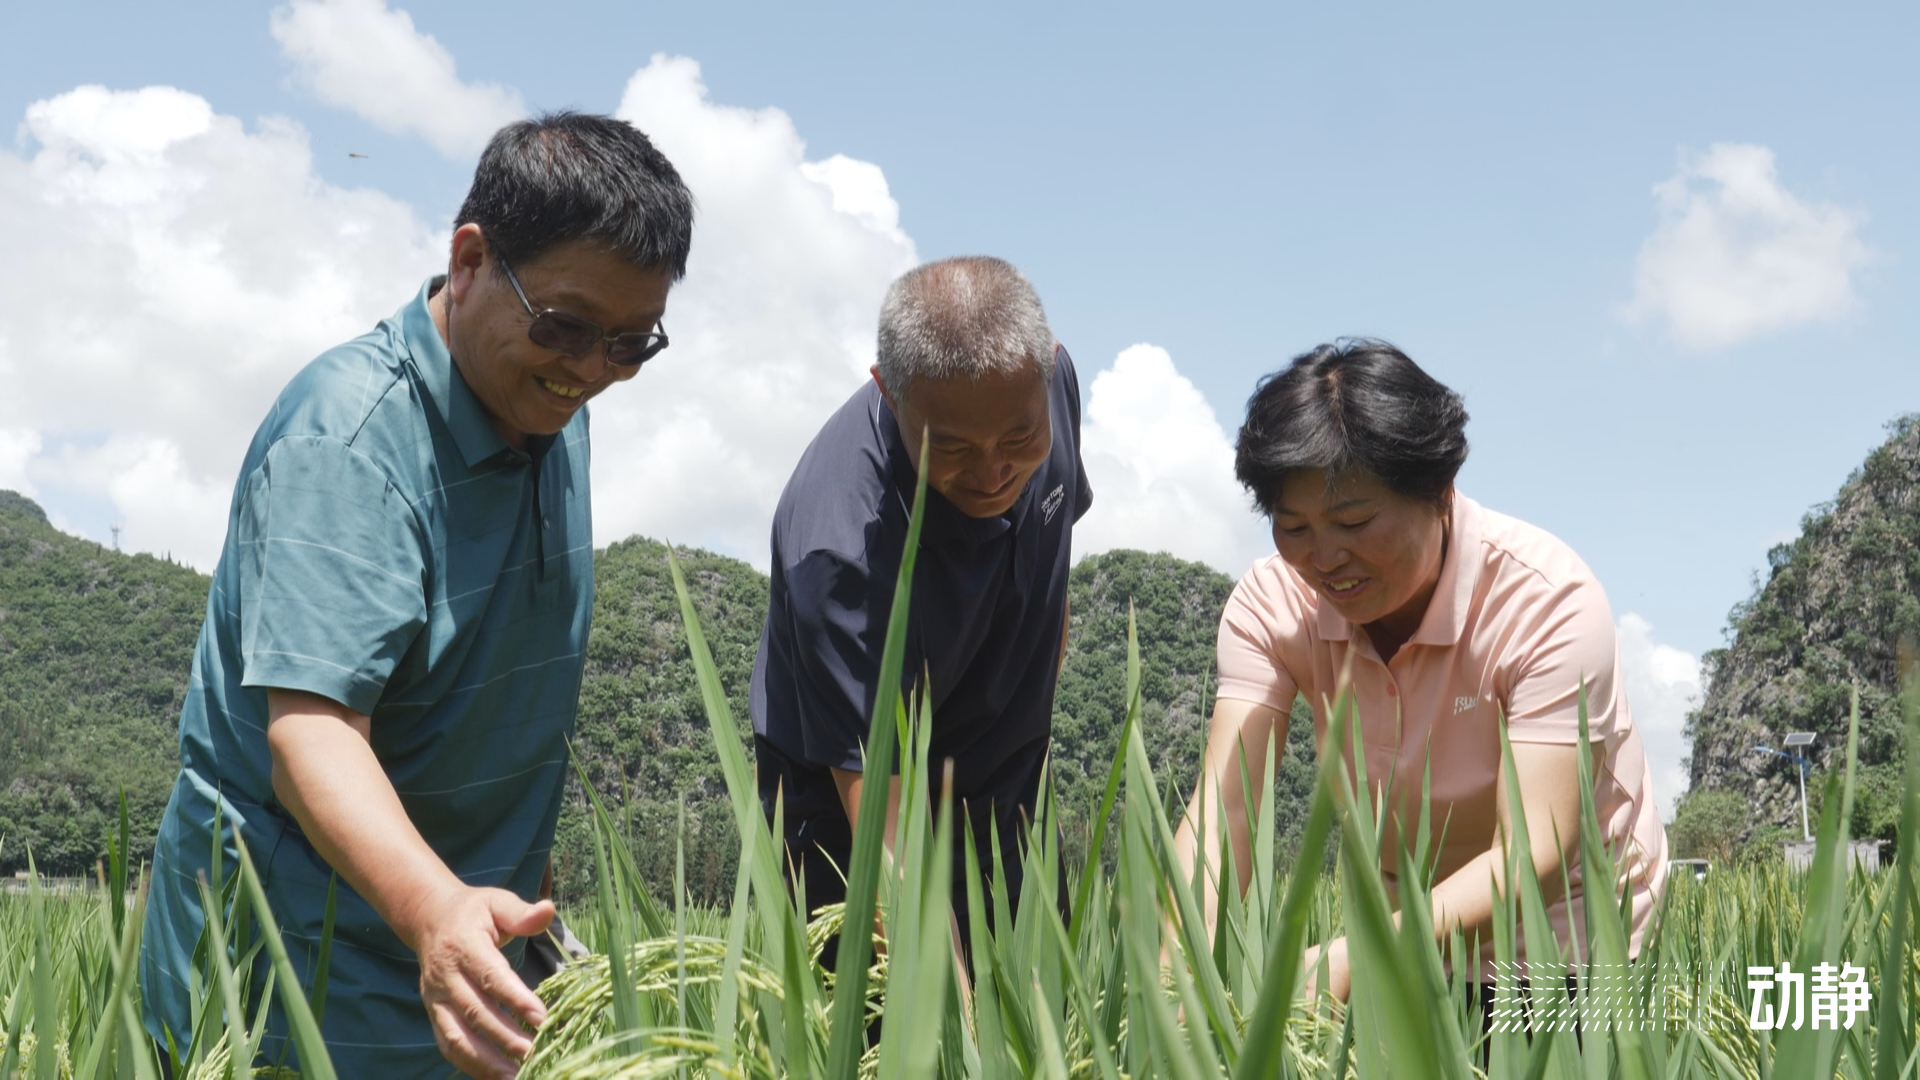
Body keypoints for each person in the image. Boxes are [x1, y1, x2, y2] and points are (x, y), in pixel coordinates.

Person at [138, 112, 694, 1080]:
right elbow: (311, 731)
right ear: (469, 258)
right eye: (564, 327)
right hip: (294, 972)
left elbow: (500, 704)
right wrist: (438, 912)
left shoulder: (548, 406)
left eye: (629, 344)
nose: (592, 371)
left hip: (467, 957)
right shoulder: (348, 445)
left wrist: (528, 906)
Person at [1171, 339, 1668, 1002]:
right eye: (1294, 526)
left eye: (1354, 521)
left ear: (1439, 493)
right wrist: (1174, 972)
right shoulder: (1272, 606)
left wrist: (1355, 957)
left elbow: (1536, 855)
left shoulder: (1547, 602)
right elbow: (1226, 808)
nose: (1324, 557)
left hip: (1572, 943)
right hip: (1412, 942)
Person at [750, 256, 1091, 958]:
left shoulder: (1051, 383)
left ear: (1047, 366)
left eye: (1019, 440)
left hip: (1004, 785)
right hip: (852, 824)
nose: (995, 472)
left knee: (1043, 1013)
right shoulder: (841, 549)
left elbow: (1051, 570)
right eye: (954, 449)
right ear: (890, 393)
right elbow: (886, 834)